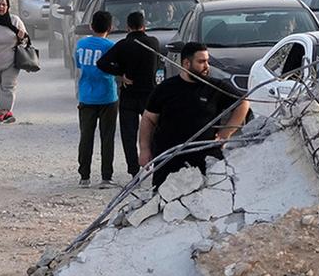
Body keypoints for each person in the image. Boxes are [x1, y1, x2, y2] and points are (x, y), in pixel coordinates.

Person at [140, 43, 249, 187]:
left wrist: (226, 133)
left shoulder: (215, 87)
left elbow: (243, 103)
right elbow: (148, 119)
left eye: (207, 61)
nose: (207, 66)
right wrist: (144, 149)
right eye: (201, 62)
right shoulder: (165, 89)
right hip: (169, 160)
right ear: (186, 63)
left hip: (205, 159)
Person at [98, 11, 163, 180]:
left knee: (129, 134)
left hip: (129, 95)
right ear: (144, 26)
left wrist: (121, 73)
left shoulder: (122, 45)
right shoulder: (153, 42)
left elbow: (102, 63)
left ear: (127, 27)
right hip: (149, 95)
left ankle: (134, 170)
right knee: (154, 132)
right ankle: (156, 164)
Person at [72, 10, 119, 188]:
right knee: (107, 138)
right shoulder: (110, 46)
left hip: (86, 96)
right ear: (110, 27)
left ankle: (84, 176)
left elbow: (78, 64)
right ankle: (106, 176)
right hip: (108, 95)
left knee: (86, 136)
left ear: (91, 26)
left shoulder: (81, 44)